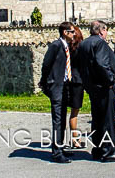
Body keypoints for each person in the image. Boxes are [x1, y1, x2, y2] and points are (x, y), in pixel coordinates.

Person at [78, 20, 115, 162]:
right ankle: (108, 151)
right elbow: (102, 64)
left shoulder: (84, 44)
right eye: (105, 30)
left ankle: (97, 149)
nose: (106, 33)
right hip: (103, 87)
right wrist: (110, 81)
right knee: (107, 120)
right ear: (100, 31)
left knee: (97, 120)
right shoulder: (99, 43)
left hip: (92, 87)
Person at [39, 22, 77, 163]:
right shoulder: (56, 45)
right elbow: (46, 64)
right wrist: (45, 82)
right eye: (72, 32)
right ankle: (56, 152)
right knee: (58, 119)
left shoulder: (65, 46)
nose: (74, 34)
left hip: (64, 85)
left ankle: (60, 146)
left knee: (62, 117)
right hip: (56, 86)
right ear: (65, 32)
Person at [65, 26, 85, 148]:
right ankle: (74, 140)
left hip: (68, 79)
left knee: (70, 112)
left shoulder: (67, 48)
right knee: (74, 112)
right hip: (77, 81)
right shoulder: (79, 49)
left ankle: (73, 138)